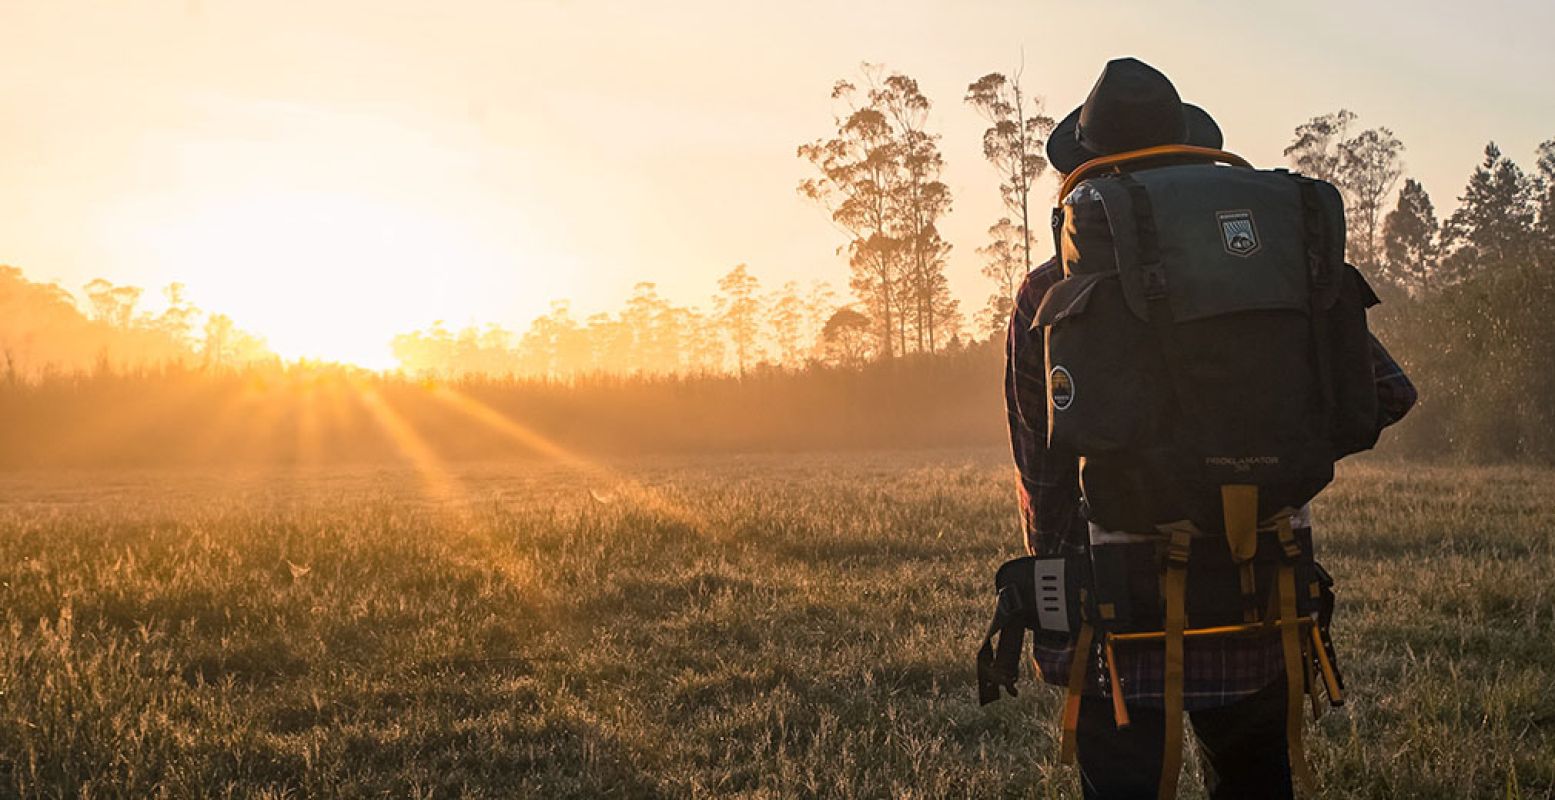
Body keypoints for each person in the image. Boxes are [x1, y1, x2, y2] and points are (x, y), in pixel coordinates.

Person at [1004, 58, 1418, 799]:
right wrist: (1267, 455)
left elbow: (1041, 470)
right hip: (1262, 589)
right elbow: (1385, 394)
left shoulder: (1048, 291)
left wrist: (1057, 608)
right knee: (1257, 782)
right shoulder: (1281, 269)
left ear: (1089, 167)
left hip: (1118, 610)